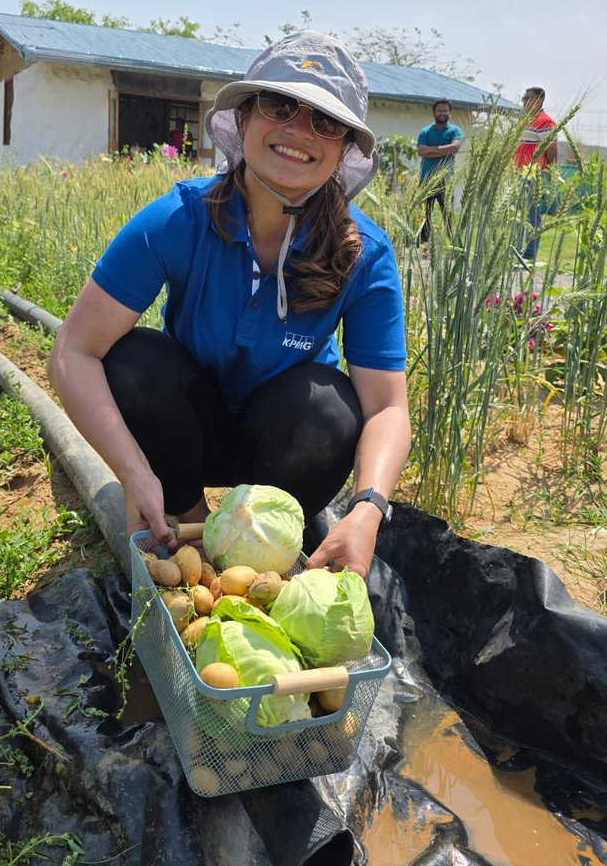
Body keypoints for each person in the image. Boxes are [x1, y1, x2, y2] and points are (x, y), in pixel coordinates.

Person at [48, 32, 412, 580]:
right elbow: (73, 352)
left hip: (282, 448)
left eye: (325, 121)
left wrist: (368, 508)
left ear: (342, 151)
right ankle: (187, 522)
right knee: (134, 362)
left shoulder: (364, 254)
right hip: (186, 440)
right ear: (243, 117)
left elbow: (386, 408)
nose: (298, 131)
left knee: (330, 409)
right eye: (279, 105)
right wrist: (133, 472)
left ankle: (259, 547)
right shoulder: (178, 220)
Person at [514, 86, 557, 260]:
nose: (524, 101)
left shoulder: (545, 122)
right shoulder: (525, 121)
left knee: (532, 216)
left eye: (528, 98)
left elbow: (552, 150)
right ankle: (515, 252)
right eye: (524, 98)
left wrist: (549, 173)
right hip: (518, 173)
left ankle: (529, 254)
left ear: (539, 100)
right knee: (517, 215)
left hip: (534, 176)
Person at [416, 99, 462, 243]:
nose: (442, 113)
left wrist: (431, 150)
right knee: (424, 213)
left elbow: (455, 148)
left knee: (447, 213)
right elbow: (421, 152)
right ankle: (423, 242)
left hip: (446, 180)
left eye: (445, 110)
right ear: (434, 112)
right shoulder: (426, 131)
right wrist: (445, 150)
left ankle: (452, 242)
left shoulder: (455, 130)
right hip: (426, 179)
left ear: (449, 113)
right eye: (440, 110)